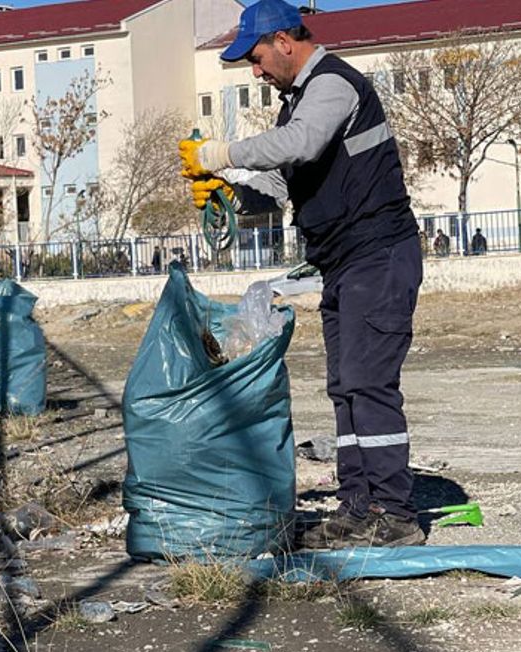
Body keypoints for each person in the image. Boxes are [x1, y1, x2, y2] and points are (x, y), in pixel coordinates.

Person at [180, 0, 425, 548]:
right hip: (345, 263)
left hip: (379, 255)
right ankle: (360, 507)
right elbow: (288, 183)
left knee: (369, 384)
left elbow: (301, 144)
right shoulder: (297, 103)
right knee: (345, 388)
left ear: (285, 40)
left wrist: (219, 153)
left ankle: (395, 513)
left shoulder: (334, 85)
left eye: (259, 57)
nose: (257, 70)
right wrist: (234, 195)